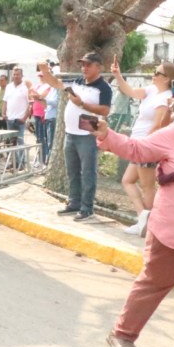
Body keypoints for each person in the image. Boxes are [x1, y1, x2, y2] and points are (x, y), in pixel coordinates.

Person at [93, 114, 174, 347]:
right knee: (153, 283)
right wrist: (106, 135)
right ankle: (122, 334)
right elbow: (137, 149)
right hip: (173, 232)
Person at [39, 53, 112, 222]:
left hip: (87, 135)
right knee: (72, 171)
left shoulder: (104, 87)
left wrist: (82, 104)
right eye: (83, 65)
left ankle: (87, 208)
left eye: (88, 65)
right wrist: (45, 71)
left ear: (99, 67)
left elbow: (105, 110)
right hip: (70, 133)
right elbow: (56, 83)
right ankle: (74, 202)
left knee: (87, 172)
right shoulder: (77, 81)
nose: (84, 68)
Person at [110, 58, 174, 235]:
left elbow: (158, 125)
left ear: (167, 78)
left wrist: (143, 144)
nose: (153, 75)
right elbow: (131, 92)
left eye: (157, 73)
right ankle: (143, 220)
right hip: (139, 145)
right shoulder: (152, 90)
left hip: (146, 146)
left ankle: (150, 225)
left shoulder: (166, 97)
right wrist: (118, 75)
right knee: (128, 181)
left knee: (147, 186)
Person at [2, 67, 31, 169]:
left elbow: (30, 104)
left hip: (20, 120)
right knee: (11, 142)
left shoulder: (25, 87)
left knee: (20, 142)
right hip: (9, 119)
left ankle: (21, 163)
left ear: (22, 76)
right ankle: (14, 162)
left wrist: (24, 118)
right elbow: (5, 101)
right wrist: (3, 113)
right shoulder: (9, 86)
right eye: (14, 74)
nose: (15, 76)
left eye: (18, 74)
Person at [28, 71, 55, 165]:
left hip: (43, 114)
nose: (41, 77)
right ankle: (39, 158)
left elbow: (41, 97)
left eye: (42, 76)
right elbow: (32, 97)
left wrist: (31, 88)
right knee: (38, 138)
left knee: (44, 138)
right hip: (36, 114)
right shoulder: (38, 86)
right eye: (39, 76)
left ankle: (44, 159)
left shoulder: (49, 87)